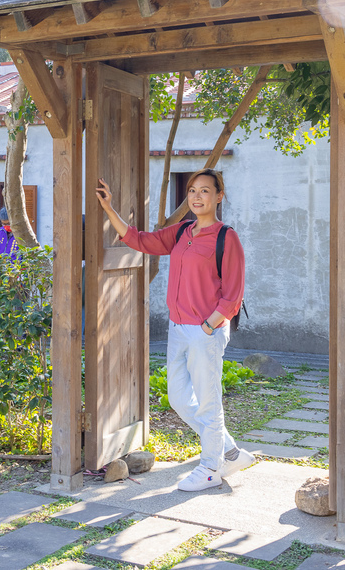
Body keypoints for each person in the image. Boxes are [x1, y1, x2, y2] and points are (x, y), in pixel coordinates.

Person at [95, 169, 252, 491]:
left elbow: (233, 294)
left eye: (205, 191)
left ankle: (211, 468)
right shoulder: (183, 232)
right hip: (178, 328)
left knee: (209, 403)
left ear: (219, 196)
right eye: (192, 190)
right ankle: (231, 452)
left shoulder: (226, 237)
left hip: (205, 331)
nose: (197, 196)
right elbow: (141, 241)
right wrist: (109, 208)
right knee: (179, 399)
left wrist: (209, 325)